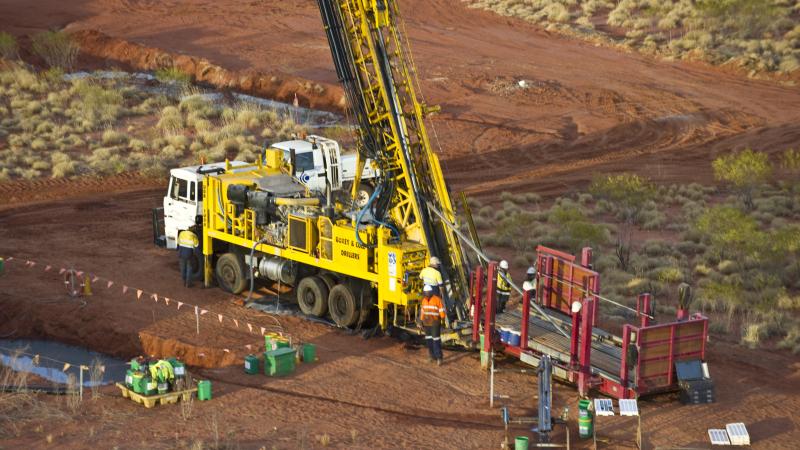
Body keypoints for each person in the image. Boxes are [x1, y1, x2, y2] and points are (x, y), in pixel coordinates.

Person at [420, 284, 445, 366]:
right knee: (429, 341)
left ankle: (439, 358)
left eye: (428, 292)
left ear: (431, 292)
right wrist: (421, 321)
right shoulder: (424, 300)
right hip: (427, 324)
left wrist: (443, 320)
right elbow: (423, 311)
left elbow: (442, 311)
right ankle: (432, 356)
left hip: (435, 323)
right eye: (425, 292)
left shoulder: (437, 300)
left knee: (436, 340)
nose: (427, 293)